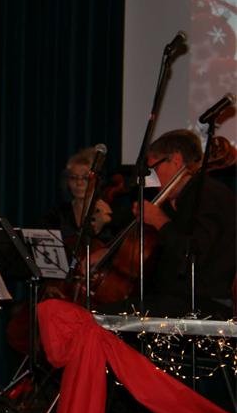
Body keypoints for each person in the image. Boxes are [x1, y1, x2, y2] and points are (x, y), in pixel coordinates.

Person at [129, 129, 235, 318]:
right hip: (173, 299)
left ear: (176, 160)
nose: (151, 178)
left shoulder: (208, 195)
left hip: (204, 303)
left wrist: (160, 221)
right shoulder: (174, 202)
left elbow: (195, 253)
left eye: (154, 169)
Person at [42, 146, 116, 241]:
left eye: (85, 178)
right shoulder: (58, 214)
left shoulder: (108, 211)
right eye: (73, 177)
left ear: (97, 180)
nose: (79, 183)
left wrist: (108, 221)